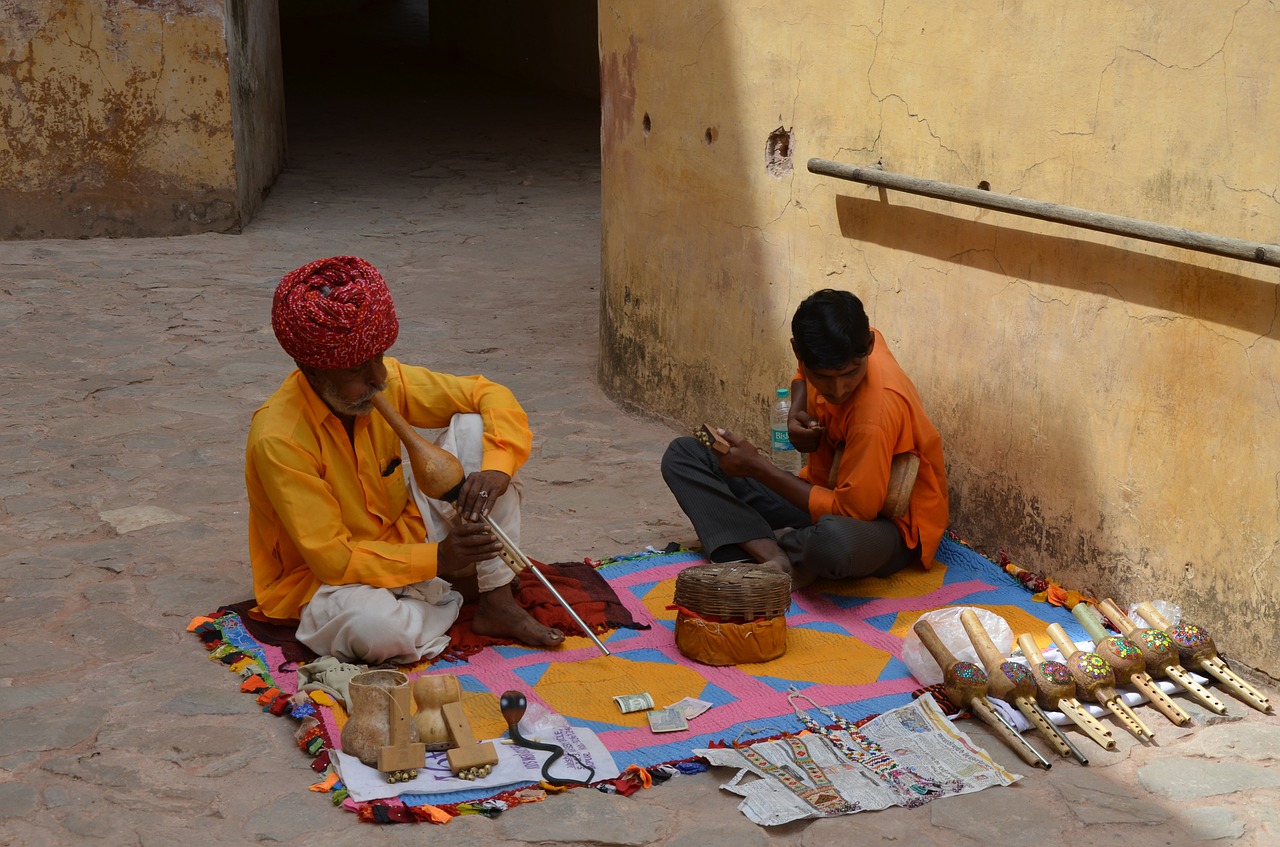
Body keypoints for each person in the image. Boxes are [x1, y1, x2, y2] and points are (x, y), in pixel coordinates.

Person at [245, 255, 564, 665]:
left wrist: (497, 468)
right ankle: (448, 588)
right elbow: (335, 560)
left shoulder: (382, 378)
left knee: (474, 429)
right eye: (360, 369)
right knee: (377, 632)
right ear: (311, 369)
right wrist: (440, 559)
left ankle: (495, 601)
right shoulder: (279, 439)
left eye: (379, 357)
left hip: (405, 533)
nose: (379, 378)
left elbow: (488, 394)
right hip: (327, 581)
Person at [661, 288, 948, 587]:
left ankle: (762, 539)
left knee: (832, 543)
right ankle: (775, 552)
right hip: (820, 494)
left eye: (849, 373)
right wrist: (796, 409)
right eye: (823, 377)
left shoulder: (873, 416)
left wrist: (758, 467)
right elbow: (801, 374)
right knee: (685, 454)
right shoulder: (847, 341)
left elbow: (854, 513)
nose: (838, 391)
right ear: (798, 350)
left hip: (884, 529)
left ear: (870, 346)